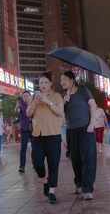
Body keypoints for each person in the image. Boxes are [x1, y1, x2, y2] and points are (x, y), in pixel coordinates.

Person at [61, 70, 100, 201]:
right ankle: (79, 183)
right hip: (71, 131)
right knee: (75, 159)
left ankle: (88, 189)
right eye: (61, 81)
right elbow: (62, 115)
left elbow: (93, 106)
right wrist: (64, 102)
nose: (62, 83)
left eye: (64, 80)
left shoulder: (83, 90)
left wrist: (92, 123)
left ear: (72, 80)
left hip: (86, 129)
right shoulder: (65, 96)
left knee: (88, 159)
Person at [27, 72, 65, 204]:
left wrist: (47, 101)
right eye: (41, 83)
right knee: (37, 162)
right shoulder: (34, 97)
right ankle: (44, 180)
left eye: (45, 82)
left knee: (53, 165)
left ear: (50, 84)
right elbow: (28, 113)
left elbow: (60, 112)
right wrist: (35, 103)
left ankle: (52, 191)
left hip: (53, 135)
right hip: (38, 135)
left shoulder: (57, 96)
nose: (42, 85)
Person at [17, 91, 32, 173]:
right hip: (24, 129)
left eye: (27, 96)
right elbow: (18, 111)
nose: (25, 97)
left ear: (30, 96)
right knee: (23, 148)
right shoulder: (21, 105)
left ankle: (35, 163)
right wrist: (17, 108)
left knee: (35, 148)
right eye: (24, 96)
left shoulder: (34, 103)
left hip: (34, 129)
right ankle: (22, 166)